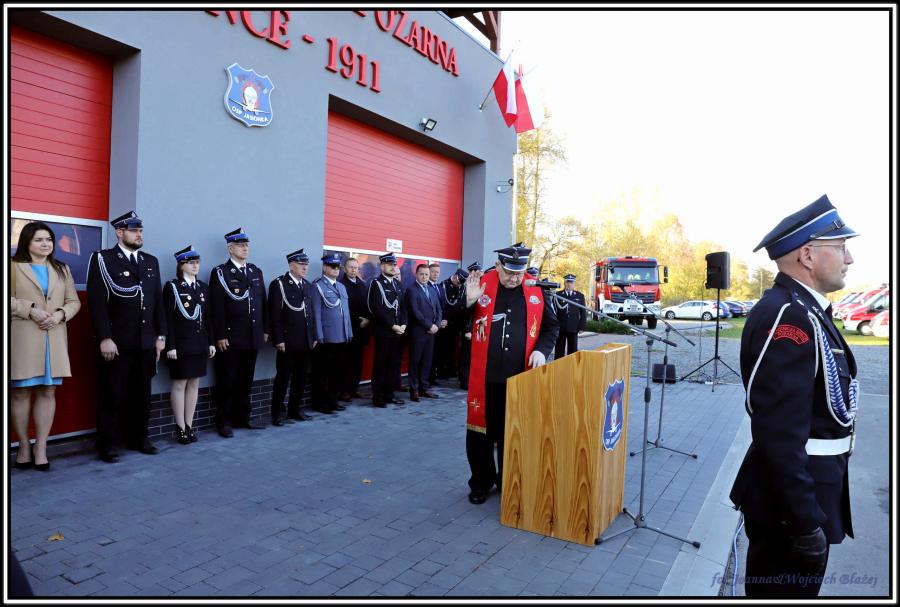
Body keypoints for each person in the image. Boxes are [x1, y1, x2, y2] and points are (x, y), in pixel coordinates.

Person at [729, 194, 860, 598]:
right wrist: (804, 522)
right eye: (840, 247)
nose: (849, 258)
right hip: (791, 508)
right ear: (807, 255)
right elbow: (779, 435)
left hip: (808, 494)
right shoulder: (789, 316)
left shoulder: (806, 311)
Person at [463, 243, 559, 504]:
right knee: (480, 434)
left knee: (512, 432)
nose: (515, 278)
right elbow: (455, 322)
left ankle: (508, 479)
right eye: (509, 273)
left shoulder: (535, 289)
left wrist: (541, 350)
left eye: (519, 273)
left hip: (519, 376)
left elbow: (551, 327)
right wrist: (468, 302)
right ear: (498, 266)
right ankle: (481, 482)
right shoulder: (481, 284)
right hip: (485, 376)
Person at [87, 211, 166, 463]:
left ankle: (139, 438)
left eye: (140, 230)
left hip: (145, 342)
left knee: (141, 394)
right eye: (134, 230)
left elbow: (157, 302)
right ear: (119, 232)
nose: (139, 234)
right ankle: (108, 444)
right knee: (112, 394)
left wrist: (161, 335)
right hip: (118, 342)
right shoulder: (103, 259)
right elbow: (97, 303)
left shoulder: (150, 261)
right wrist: (104, 337)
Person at [10, 221, 81, 471]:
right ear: (27, 242)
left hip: (54, 336)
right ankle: (23, 445)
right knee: (20, 392)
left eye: (49, 239)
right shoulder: (13, 266)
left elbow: (74, 301)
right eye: (39, 239)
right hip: (24, 337)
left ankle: (41, 447)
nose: (45, 244)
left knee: (48, 391)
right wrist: (30, 310)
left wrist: (61, 314)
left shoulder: (62, 268)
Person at [209, 227, 267, 437]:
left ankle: (243, 417)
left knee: (246, 380)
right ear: (230, 248)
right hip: (231, 337)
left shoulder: (255, 271)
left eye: (247, 245)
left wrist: (265, 329)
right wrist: (220, 334)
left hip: (252, 336)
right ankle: (224, 421)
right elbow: (216, 307)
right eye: (241, 245)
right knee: (227, 381)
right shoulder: (221, 272)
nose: (245, 248)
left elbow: (262, 302)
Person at [163, 245, 215, 444]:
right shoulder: (173, 287)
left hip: (199, 343)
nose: (195, 266)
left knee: (194, 383)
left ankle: (189, 425)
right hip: (181, 345)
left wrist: (211, 342)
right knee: (180, 384)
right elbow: (168, 319)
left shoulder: (203, 287)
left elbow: (208, 317)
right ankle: (180, 427)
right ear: (181, 265)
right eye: (191, 263)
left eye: (197, 262)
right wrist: (170, 345)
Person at [268, 249, 317, 425]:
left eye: (306, 264)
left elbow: (311, 314)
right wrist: (278, 339)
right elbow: (274, 315)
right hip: (288, 341)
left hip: (305, 340)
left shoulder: (307, 285)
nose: (305, 267)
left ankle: (294, 410)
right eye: (301, 264)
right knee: (283, 378)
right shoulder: (279, 284)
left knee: (300, 378)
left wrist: (314, 336)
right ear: (291, 265)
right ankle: (277, 413)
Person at [309, 252, 353, 414]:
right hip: (326, 337)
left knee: (337, 372)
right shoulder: (317, 286)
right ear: (325, 267)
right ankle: (319, 403)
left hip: (341, 336)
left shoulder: (341, 286)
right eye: (332, 266)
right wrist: (319, 335)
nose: (336, 269)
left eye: (337, 267)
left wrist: (349, 331)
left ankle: (332, 400)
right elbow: (316, 313)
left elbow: (346, 313)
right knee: (322, 373)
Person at [366, 252, 407, 407]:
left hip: (398, 332)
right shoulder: (376, 283)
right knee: (380, 365)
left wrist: (403, 324)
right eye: (389, 264)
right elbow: (375, 308)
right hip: (384, 332)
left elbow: (403, 308)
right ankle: (378, 397)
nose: (393, 267)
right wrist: (392, 325)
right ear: (382, 266)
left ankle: (390, 394)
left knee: (393, 365)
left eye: (394, 264)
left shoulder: (398, 284)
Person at [405, 264, 442, 401]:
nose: (425, 277)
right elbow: (415, 312)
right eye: (422, 274)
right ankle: (414, 390)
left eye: (427, 274)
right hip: (418, 332)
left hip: (431, 332)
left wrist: (437, 325)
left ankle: (424, 388)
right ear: (416, 274)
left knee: (427, 361)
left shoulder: (431, 289)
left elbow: (438, 309)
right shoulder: (411, 290)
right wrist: (429, 325)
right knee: (415, 362)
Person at [339, 257, 370, 401]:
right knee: (345, 362)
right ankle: (343, 391)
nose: (353, 270)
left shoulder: (363, 285)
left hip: (362, 330)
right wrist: (359, 320)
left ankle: (354, 389)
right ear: (345, 269)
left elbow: (368, 304)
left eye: (355, 267)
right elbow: (343, 308)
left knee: (358, 362)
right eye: (350, 267)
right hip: (348, 329)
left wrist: (368, 319)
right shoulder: (341, 284)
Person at [457, 261, 482, 390]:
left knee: (474, 356)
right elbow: (464, 310)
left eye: (478, 271)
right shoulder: (465, 287)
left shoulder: (481, 286)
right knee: (466, 356)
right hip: (467, 328)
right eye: (474, 272)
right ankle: (464, 380)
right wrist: (467, 329)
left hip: (477, 329)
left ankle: (471, 379)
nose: (477, 274)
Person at [554, 274, 587, 358]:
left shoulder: (579, 296)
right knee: (559, 350)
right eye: (567, 282)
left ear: (574, 284)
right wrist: (554, 325)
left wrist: (582, 327)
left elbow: (583, 312)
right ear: (564, 283)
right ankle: (558, 365)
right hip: (560, 327)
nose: (569, 284)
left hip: (573, 327)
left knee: (573, 350)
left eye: (571, 282)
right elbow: (554, 311)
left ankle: (571, 365)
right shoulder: (558, 295)